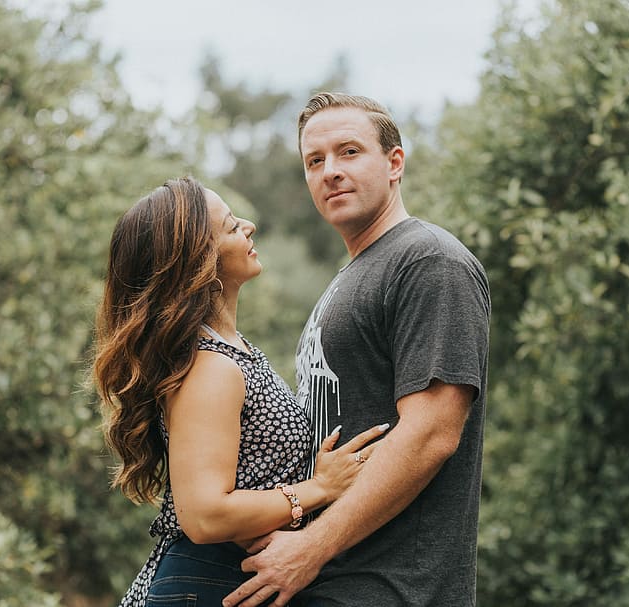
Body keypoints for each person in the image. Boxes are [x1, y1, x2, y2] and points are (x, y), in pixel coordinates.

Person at [222, 93, 491, 607]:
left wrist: (311, 548)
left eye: (349, 152)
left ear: (394, 163)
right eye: (314, 161)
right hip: (331, 585)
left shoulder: (428, 261)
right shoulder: (354, 274)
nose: (330, 172)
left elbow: (432, 434)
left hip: (393, 589)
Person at [93, 176, 389, 607]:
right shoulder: (210, 367)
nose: (249, 226)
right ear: (200, 263)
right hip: (207, 583)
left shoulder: (229, 351)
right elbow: (204, 515)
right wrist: (320, 488)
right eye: (232, 227)